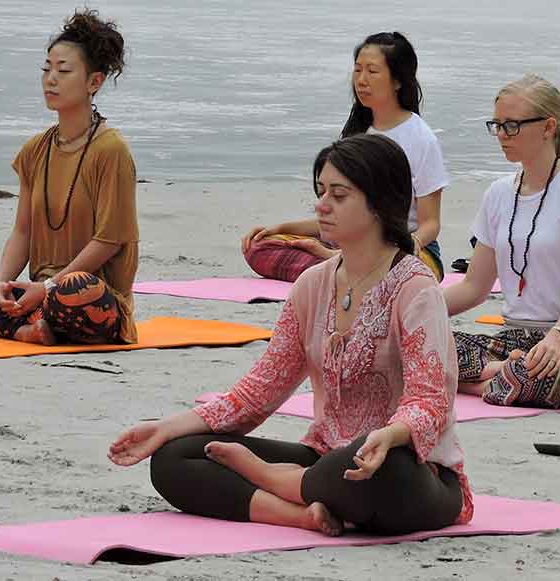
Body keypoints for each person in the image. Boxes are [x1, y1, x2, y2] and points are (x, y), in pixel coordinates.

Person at [109, 134, 471, 536]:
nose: (321, 205)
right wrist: (167, 427)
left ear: (379, 203)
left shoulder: (415, 287)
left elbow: (430, 400)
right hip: (325, 462)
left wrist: (390, 434)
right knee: (174, 458)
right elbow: (258, 392)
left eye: (338, 195)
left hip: (412, 472)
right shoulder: (312, 285)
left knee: (375, 464)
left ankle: (273, 480)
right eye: (320, 192)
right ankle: (300, 514)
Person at [0, 9, 137, 345]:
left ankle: (7, 322)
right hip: (37, 295)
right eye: (46, 69)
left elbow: (109, 240)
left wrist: (47, 288)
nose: (51, 79)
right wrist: (3, 282)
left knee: (74, 286)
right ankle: (25, 329)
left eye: (63, 71)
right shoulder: (36, 149)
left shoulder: (112, 150)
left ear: (94, 82)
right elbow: (23, 230)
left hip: (90, 301)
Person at [443, 74, 560, 408]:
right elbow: (475, 286)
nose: (502, 136)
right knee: (409, 347)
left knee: (533, 375)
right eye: (497, 125)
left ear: (548, 127)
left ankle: (480, 380)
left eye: (512, 126)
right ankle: (497, 375)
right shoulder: (498, 193)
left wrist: (556, 339)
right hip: (511, 342)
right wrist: (408, 313)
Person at [242, 31, 448, 282]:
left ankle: (338, 264)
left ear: (398, 80)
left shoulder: (421, 139)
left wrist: (404, 245)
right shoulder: (356, 132)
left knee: (393, 267)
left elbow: (430, 224)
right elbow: (341, 214)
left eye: (372, 72)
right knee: (259, 247)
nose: (361, 80)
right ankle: (339, 264)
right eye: (357, 70)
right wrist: (281, 229)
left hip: (406, 248)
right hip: (349, 239)